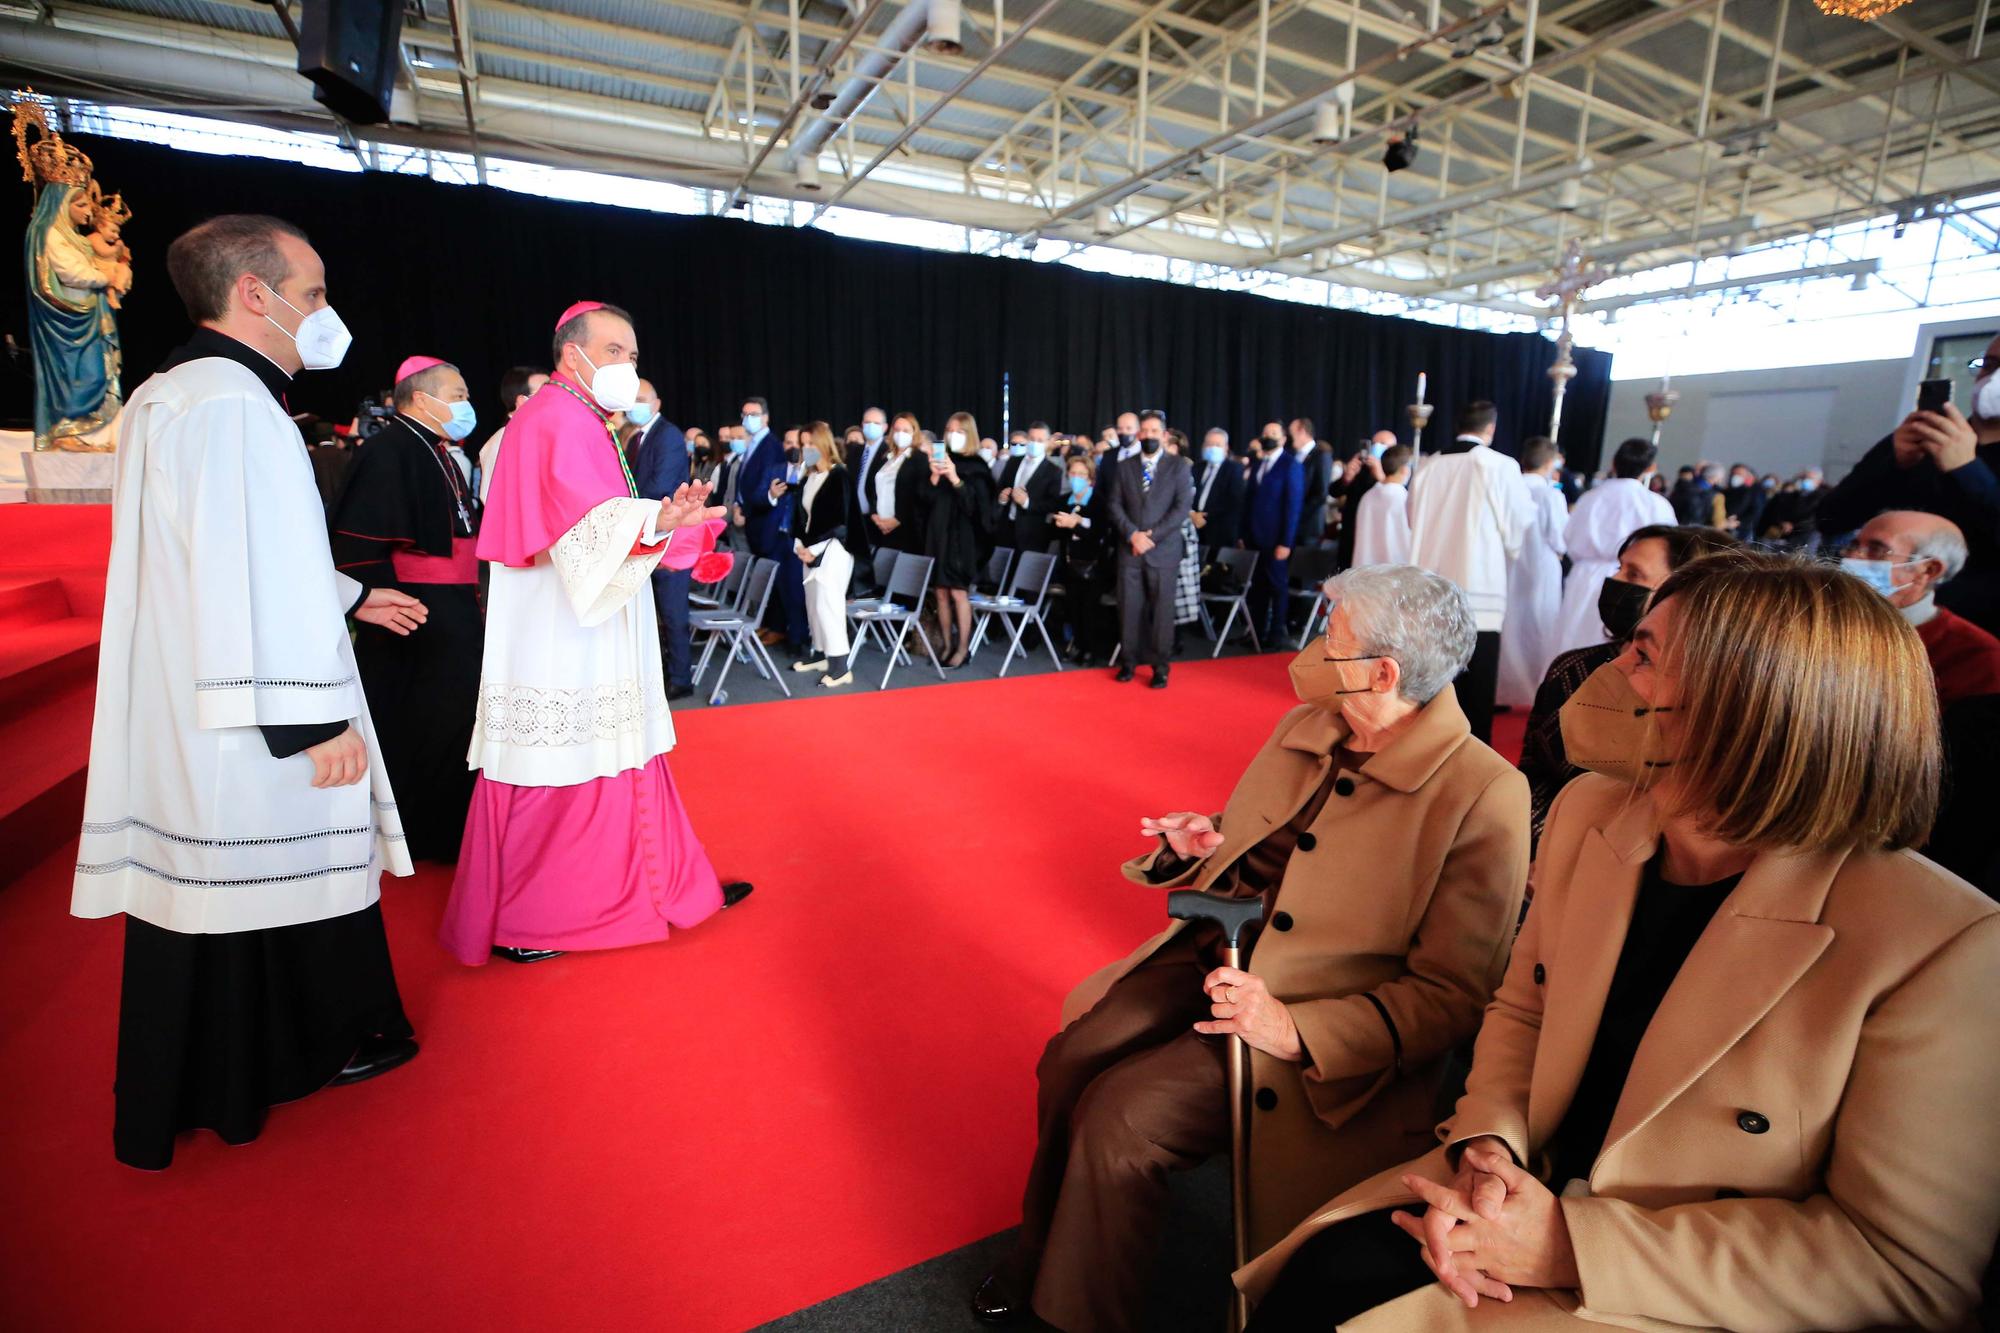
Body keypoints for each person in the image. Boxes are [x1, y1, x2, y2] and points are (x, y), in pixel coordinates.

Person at [1242, 551, 2000, 1333]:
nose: (1607, 672)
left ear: (1755, 706)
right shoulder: (1591, 812)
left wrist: (1573, 1245)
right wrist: (1491, 1149)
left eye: (1643, 655)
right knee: (1313, 1279)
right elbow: (1523, 1011)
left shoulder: (1940, 942)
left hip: (1674, 1282)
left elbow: (1904, 1268)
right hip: (1518, 1191)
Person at [975, 564, 1531, 1333]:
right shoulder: (1315, 723)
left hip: (1306, 1015)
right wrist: (1193, 846)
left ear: (1383, 672)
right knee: (1072, 1058)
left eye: (1329, 640)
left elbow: (1454, 995)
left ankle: (1072, 1317)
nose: (1311, 651)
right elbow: (1263, 847)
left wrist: (1297, 1030)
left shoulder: (1482, 790)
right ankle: (1041, 1256)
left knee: (1122, 1116)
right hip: (1217, 949)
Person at [74, 213, 424, 1169]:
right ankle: (284, 1055)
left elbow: (237, 552)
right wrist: (309, 720)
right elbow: (240, 570)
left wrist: (353, 593)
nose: (325, 312)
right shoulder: (233, 404)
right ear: (254, 294)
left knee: (215, 895)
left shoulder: (173, 391)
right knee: (262, 873)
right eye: (312, 293)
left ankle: (221, 1074)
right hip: (251, 706)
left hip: (201, 691)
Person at [442, 300, 750, 967]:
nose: (627, 366)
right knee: (566, 755)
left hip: (581, 618)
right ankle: (535, 914)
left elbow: (598, 519)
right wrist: (656, 521)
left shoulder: (578, 417)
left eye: (633, 355)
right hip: (564, 630)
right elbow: (586, 529)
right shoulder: (558, 418)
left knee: (605, 749)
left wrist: (662, 521)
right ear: (571, 353)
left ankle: (658, 884)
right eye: (615, 351)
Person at [327, 354, 483, 860]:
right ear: (421, 397)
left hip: (453, 608)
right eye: (457, 395)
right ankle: (419, 833)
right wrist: (368, 601)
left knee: (454, 721)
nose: (466, 405)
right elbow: (356, 544)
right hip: (412, 615)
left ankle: (450, 829)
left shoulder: (436, 449)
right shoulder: (388, 450)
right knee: (421, 724)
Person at [1519, 523, 1737, 850]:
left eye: (1634, 575)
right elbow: (1535, 771)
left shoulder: (1712, 699)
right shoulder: (1573, 670)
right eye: (1618, 568)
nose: (1615, 582)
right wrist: (1536, 847)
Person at [1817, 338, 2000, 630]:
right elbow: (1830, 517)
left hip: (1974, 629)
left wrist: (1967, 470)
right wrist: (1892, 464)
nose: (1993, 378)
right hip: (1872, 618)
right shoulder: (1917, 441)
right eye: (1989, 365)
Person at [1407, 401, 1532, 744]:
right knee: (1476, 683)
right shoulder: (1500, 466)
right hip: (1479, 582)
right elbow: (1518, 521)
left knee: (1434, 677)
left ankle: (1427, 749)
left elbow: (1412, 519)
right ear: (1490, 428)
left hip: (1430, 584)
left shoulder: (1427, 467)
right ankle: (1473, 757)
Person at [1844, 511, 2000, 707]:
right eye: (1854, 545)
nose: (1852, 557)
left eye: (1876, 550)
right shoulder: (1823, 619)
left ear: (1928, 570)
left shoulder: (1976, 658)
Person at [1548, 438, 1675, 657]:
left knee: (1573, 638)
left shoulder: (1590, 498)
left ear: (1614, 464)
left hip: (1585, 575)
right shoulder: (1655, 504)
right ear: (1650, 468)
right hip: (1631, 580)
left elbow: (1569, 536)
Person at [1109, 410, 1193, 689]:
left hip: (1163, 551)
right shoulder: (1125, 466)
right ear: (1138, 434)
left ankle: (1160, 667)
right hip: (1129, 550)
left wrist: (1151, 536)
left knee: (1161, 612)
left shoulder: (1178, 466)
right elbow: (1114, 505)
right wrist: (1133, 534)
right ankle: (1129, 662)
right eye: (1144, 431)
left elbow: (1181, 508)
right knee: (1129, 609)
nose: (1148, 436)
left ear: (1164, 434)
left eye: (1154, 431)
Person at [629, 376, 699, 702]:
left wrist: (624, 509)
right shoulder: (637, 437)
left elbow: (660, 487)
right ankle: (661, 674)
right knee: (655, 613)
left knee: (673, 614)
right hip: (647, 535)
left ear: (657, 404)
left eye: (642, 399)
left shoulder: (667, 436)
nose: (635, 405)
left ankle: (681, 679)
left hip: (670, 539)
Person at [920, 411, 997, 669]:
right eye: (949, 430)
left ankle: (964, 648)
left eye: (959, 431)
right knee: (940, 593)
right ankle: (947, 643)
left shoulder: (977, 466)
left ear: (969, 435)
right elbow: (926, 502)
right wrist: (933, 477)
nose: (953, 435)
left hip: (963, 541)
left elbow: (977, 509)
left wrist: (954, 479)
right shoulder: (941, 461)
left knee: (958, 593)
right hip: (938, 537)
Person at [1497, 437, 1569, 709]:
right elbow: (1561, 538)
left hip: (1507, 564)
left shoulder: (1508, 488)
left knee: (1509, 624)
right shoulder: (1550, 494)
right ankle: (1535, 690)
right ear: (1550, 462)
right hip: (1541, 566)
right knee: (1539, 624)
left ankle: (1502, 688)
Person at [736, 396, 810, 652]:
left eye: (798, 442)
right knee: (781, 588)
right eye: (789, 442)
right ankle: (785, 632)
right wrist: (771, 496)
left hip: (800, 539)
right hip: (775, 536)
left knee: (797, 591)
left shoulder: (813, 471)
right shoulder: (777, 467)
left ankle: (799, 639)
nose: (792, 446)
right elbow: (756, 495)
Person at [788, 422, 855, 688]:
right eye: (803, 444)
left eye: (811, 444)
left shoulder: (839, 475)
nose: (807, 449)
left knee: (828, 606)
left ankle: (840, 666)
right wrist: (799, 546)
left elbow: (839, 521)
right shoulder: (809, 476)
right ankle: (820, 653)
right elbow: (801, 517)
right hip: (809, 549)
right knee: (813, 604)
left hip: (834, 551)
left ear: (824, 444)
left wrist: (812, 549)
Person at [1052, 454, 1115, 664]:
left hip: (1094, 565)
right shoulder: (1064, 500)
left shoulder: (1099, 501)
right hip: (1070, 563)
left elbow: (1101, 534)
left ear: (1090, 478)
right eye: (1073, 473)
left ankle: (1090, 650)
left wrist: (1076, 524)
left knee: (1090, 609)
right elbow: (1056, 534)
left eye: (1081, 474)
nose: (1076, 477)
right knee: (1073, 607)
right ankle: (1077, 645)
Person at [1245, 429, 1306, 642]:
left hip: (1276, 540)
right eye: (1265, 432)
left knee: (1277, 587)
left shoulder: (1291, 465)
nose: (1267, 436)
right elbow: (1250, 501)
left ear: (1283, 439)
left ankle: (1277, 633)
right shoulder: (1259, 464)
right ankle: (1257, 632)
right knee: (1258, 587)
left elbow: (1293, 507)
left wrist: (1286, 542)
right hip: (1255, 538)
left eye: (1273, 433)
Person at [478, 365, 549, 504]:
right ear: (521, 400)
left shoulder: (535, 435)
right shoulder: (501, 441)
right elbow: (494, 499)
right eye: (545, 394)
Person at [996, 419, 1062, 555]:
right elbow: (999, 488)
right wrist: (1002, 497)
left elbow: (1053, 504)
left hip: (1032, 535)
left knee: (1026, 575)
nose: (1035, 443)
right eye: (1032, 439)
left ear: (1048, 442)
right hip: (1006, 529)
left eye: (1040, 440)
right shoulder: (1013, 462)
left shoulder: (1054, 471)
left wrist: (1027, 503)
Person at [1335, 430, 1397, 570]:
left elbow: (1398, 497)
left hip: (1378, 535)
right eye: (1374, 443)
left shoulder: (1396, 470)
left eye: (1382, 444)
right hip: (1351, 532)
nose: (1376, 447)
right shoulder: (1359, 467)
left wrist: (1380, 476)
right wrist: (1347, 477)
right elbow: (1334, 491)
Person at [1190, 427, 1248, 558]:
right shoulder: (1196, 468)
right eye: (1209, 444)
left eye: (1217, 445)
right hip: (1195, 532)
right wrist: (1192, 514)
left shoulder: (1234, 469)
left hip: (1221, 533)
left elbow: (1234, 503)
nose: (1212, 448)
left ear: (1226, 447)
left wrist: (1206, 518)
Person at [1350, 444, 1411, 568]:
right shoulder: (1403, 497)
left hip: (1365, 570)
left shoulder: (1368, 496)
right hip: (1394, 571)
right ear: (1405, 469)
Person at [848, 406, 890, 583]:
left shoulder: (887, 452)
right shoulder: (855, 451)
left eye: (876, 423)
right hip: (855, 518)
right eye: (867, 422)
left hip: (875, 519)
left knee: (873, 568)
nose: (871, 426)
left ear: (885, 427)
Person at [1290, 419, 1333, 551]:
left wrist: (1297, 515)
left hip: (1308, 526)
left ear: (1302, 431)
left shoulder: (1321, 455)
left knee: (1303, 569)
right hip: (1291, 525)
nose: (1288, 437)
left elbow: (1321, 493)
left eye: (1291, 433)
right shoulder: (1293, 456)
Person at [1720, 461, 1766, 537]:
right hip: (1726, 527)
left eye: (1739, 474)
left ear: (1746, 476)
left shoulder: (1754, 491)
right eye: (1733, 474)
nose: (1735, 477)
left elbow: (1755, 511)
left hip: (1742, 530)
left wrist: (1739, 521)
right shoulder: (1726, 491)